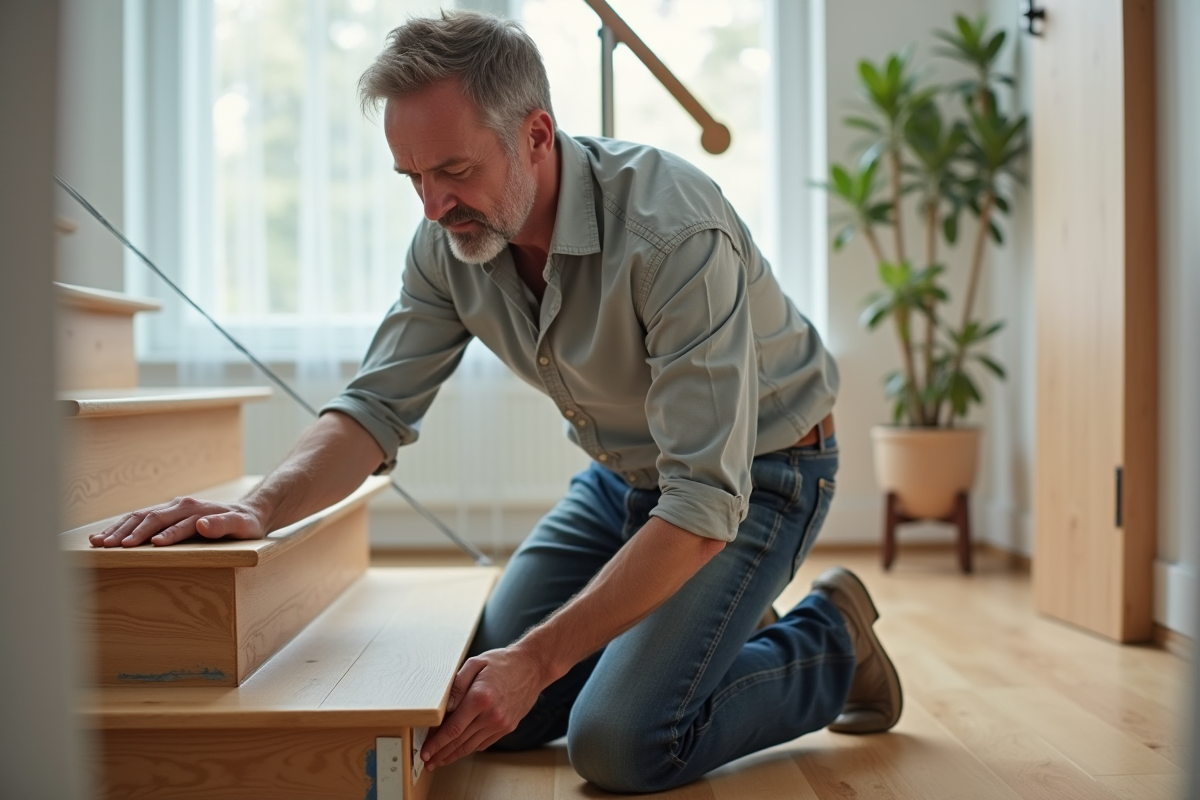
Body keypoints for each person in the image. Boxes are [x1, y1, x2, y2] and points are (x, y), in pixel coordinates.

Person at [90, 10, 901, 793]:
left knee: (622, 741)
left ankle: (833, 638)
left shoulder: (672, 233)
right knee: (484, 702)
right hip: (627, 475)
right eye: (413, 178)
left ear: (537, 135)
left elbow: (701, 499)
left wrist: (541, 659)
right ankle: (698, 624)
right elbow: (375, 405)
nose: (433, 206)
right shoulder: (449, 244)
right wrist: (262, 509)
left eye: (454, 170)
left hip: (760, 473)